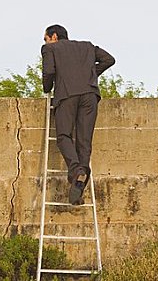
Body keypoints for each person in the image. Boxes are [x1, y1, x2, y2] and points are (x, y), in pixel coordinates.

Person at [41, 24, 115, 205]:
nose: (45, 41)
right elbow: (109, 60)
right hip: (90, 95)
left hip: (67, 95)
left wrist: (47, 88)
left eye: (46, 38)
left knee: (64, 136)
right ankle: (79, 184)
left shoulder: (50, 48)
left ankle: (76, 171)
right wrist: (89, 75)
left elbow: (49, 71)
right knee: (84, 141)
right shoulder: (87, 46)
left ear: (54, 36)